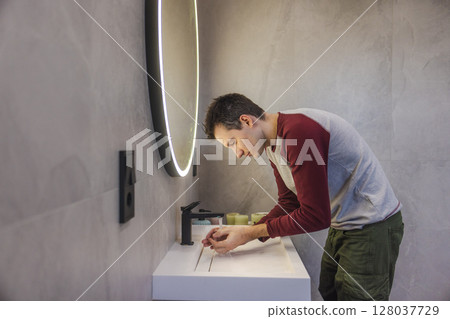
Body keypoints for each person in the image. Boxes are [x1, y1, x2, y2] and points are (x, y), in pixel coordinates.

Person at [201, 93, 404, 301]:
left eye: (233, 142)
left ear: (247, 120)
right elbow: (290, 202)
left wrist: (251, 233)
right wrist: (247, 232)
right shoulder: (272, 144)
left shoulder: (298, 133)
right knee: (330, 291)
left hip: (372, 225)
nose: (238, 153)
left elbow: (315, 216)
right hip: (345, 224)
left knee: (355, 301)